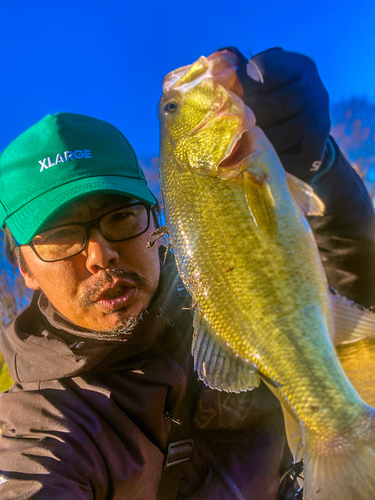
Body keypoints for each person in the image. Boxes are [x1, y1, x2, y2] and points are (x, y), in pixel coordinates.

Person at [0, 47, 374, 500]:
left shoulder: (221, 299)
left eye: (120, 217)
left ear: (157, 221)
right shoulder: (41, 430)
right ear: (24, 269)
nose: (100, 256)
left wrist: (323, 169)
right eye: (60, 236)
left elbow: (355, 290)